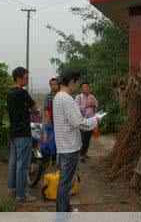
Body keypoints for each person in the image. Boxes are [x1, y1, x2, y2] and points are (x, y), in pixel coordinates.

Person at [53, 69, 100, 212]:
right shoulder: (66, 99)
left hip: (63, 145)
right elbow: (79, 123)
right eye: (77, 82)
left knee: (65, 181)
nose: (77, 85)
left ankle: (65, 209)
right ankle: (63, 213)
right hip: (70, 147)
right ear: (72, 81)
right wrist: (96, 120)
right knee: (66, 182)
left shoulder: (58, 97)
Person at [6, 67, 39, 202]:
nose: (27, 79)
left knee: (13, 161)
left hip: (13, 132)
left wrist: (26, 110)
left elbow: (18, 110)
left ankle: (12, 189)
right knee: (22, 164)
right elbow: (35, 107)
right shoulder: (22, 93)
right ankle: (22, 194)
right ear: (19, 78)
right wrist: (33, 111)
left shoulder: (9, 92)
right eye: (25, 77)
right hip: (23, 133)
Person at [75, 82, 98, 163]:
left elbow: (96, 105)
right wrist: (86, 105)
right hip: (83, 120)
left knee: (88, 138)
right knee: (83, 138)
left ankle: (84, 153)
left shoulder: (92, 97)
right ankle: (81, 155)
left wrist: (94, 104)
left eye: (87, 87)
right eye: (84, 87)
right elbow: (76, 108)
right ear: (81, 89)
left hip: (91, 119)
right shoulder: (78, 97)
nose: (86, 89)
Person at [43, 77, 60, 164]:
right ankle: (53, 159)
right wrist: (48, 119)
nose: (54, 86)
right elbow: (46, 109)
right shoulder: (48, 96)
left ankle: (59, 159)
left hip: (61, 123)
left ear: (58, 85)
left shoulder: (61, 95)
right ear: (50, 86)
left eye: (55, 84)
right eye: (52, 85)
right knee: (52, 141)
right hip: (51, 122)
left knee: (60, 141)